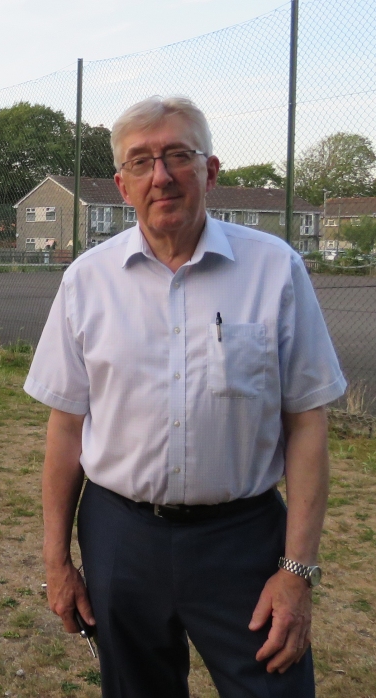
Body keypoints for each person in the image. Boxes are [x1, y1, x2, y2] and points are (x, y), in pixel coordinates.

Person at [25, 96, 346, 697]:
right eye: (142, 162)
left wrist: (297, 571)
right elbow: (66, 427)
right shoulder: (86, 282)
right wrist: (57, 561)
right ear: (122, 185)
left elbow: (307, 421)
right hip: (121, 536)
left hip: (243, 540)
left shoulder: (275, 269)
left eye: (178, 155)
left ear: (211, 170)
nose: (162, 175)